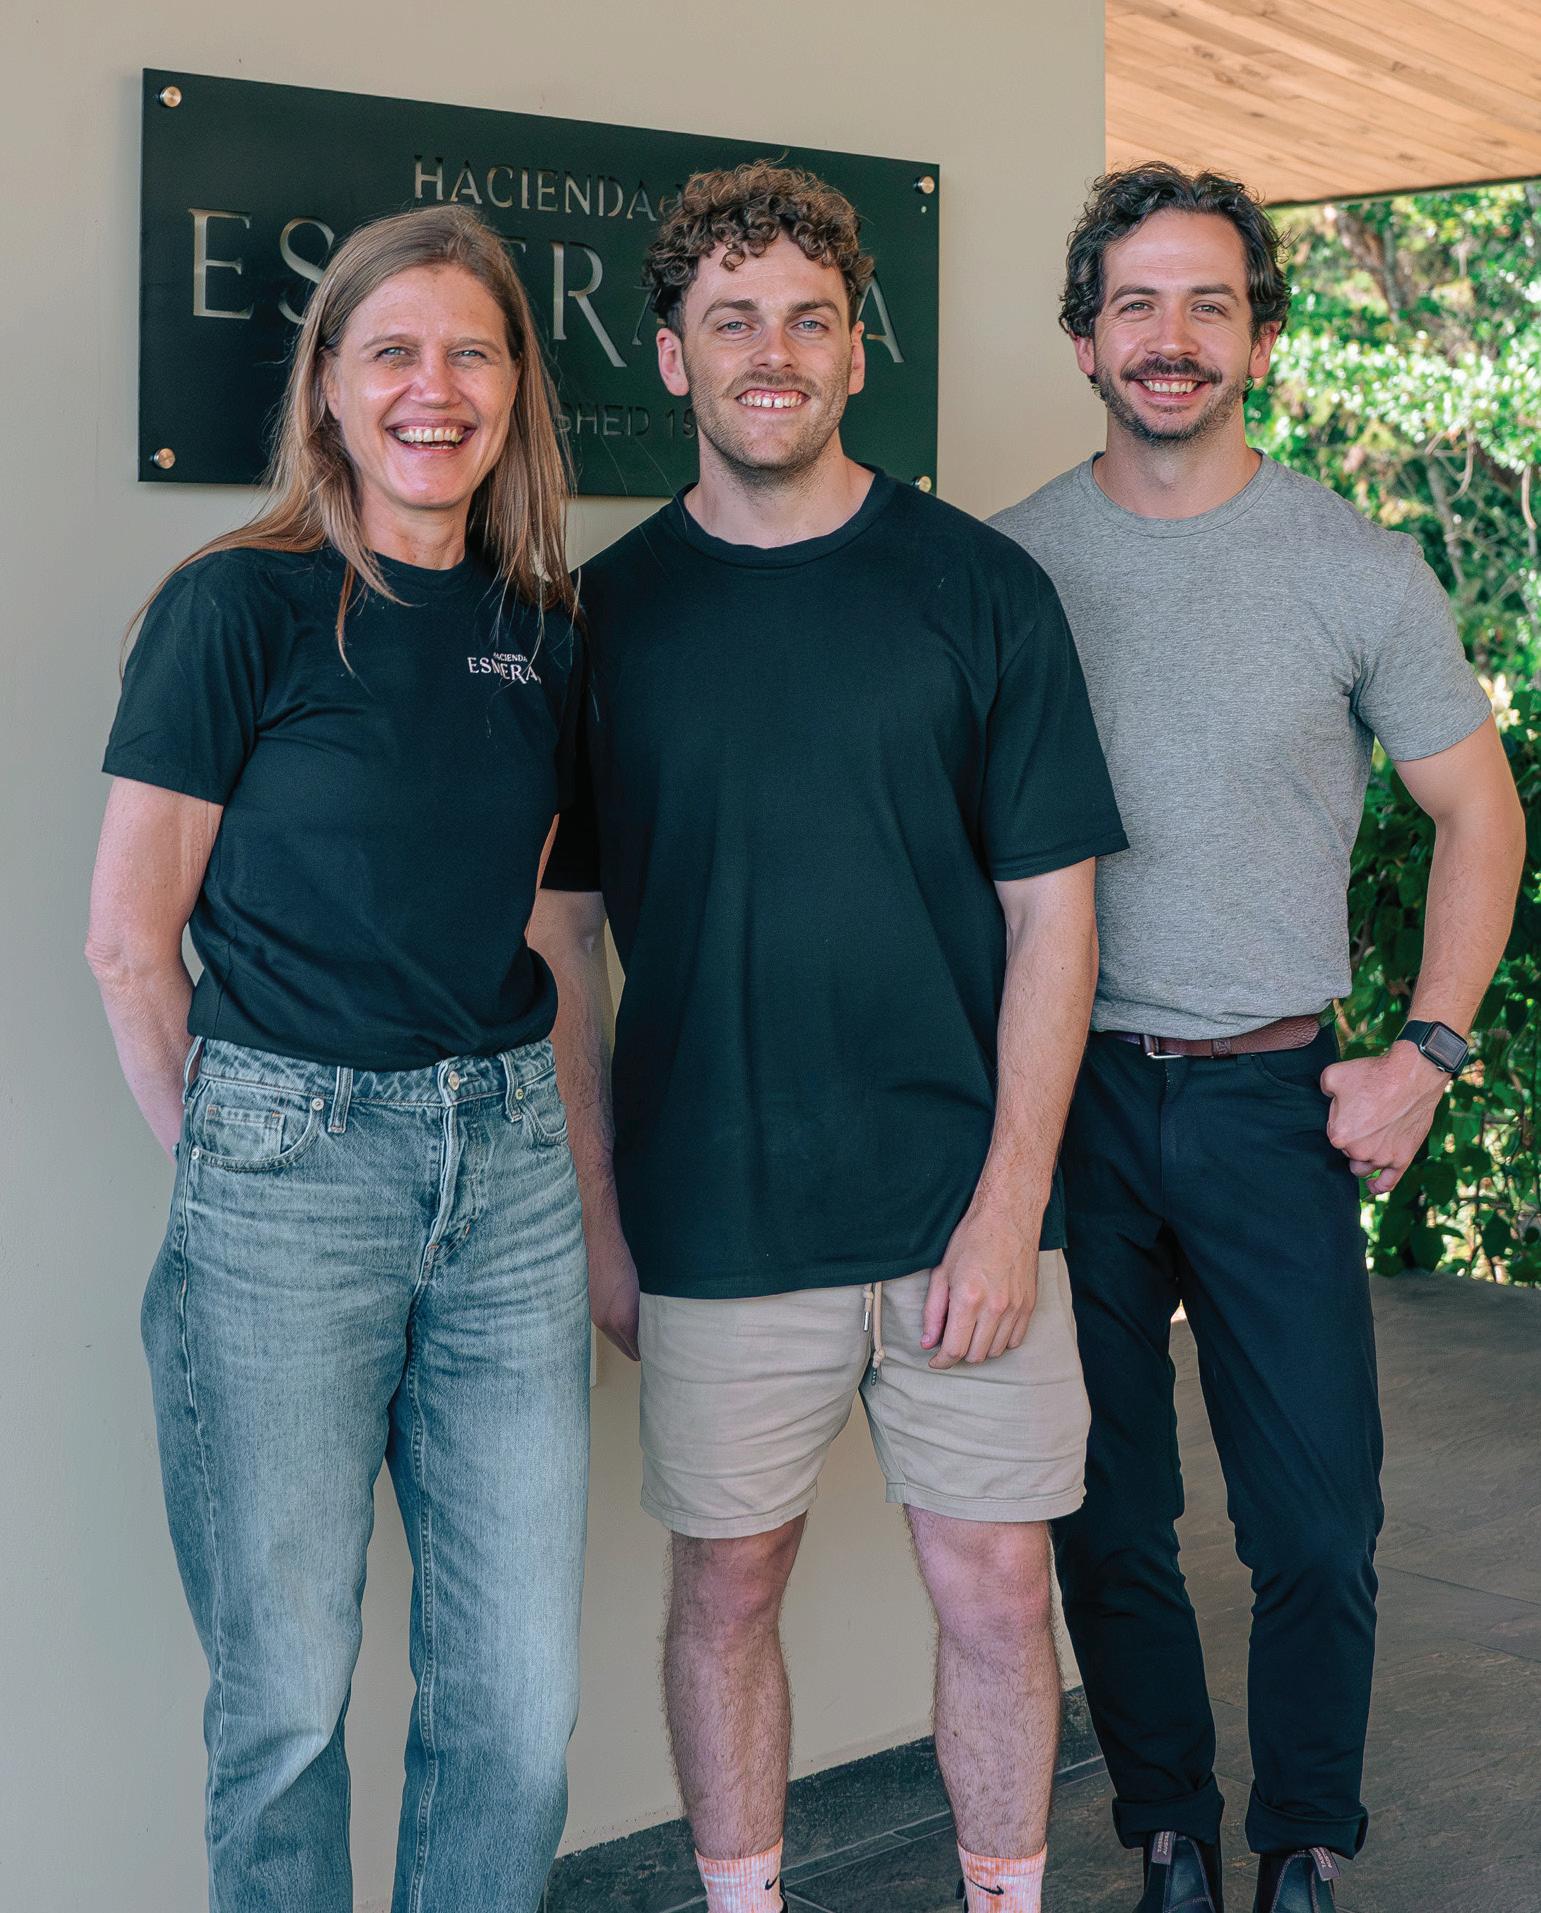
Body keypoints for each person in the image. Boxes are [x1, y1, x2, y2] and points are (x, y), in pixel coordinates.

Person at [528, 162, 1127, 1913]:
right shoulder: (599, 621)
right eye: (732, 321)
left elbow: (1054, 917)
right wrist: (601, 1216)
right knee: (724, 1592)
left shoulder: (982, 588)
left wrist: (1008, 1207)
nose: (771, 353)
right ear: (672, 355)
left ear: (859, 350)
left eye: (807, 319)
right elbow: (560, 935)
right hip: (715, 1212)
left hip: (960, 1209)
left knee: (1000, 1591)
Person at [992, 164, 1527, 1913]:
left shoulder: (1351, 567)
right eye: (1135, 304)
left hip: (1270, 1100)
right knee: (1101, 1509)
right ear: (1084, 339)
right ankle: (1168, 1830)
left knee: (1312, 1520)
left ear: (1262, 337)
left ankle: (1301, 1840)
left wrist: (1425, 1054)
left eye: (1208, 304)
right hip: (1061, 1098)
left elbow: (1480, 811)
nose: (1171, 337)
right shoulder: (1002, 571)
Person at [86, 205, 590, 1913]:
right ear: (326, 386)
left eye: (470, 353)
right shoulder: (235, 607)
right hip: (284, 1174)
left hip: (508, 1177)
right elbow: (128, 942)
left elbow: (517, 905)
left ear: (515, 390)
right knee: (288, 1708)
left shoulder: (545, 631)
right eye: (391, 351)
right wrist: (242, 1159)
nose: (431, 388)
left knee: (516, 1710)